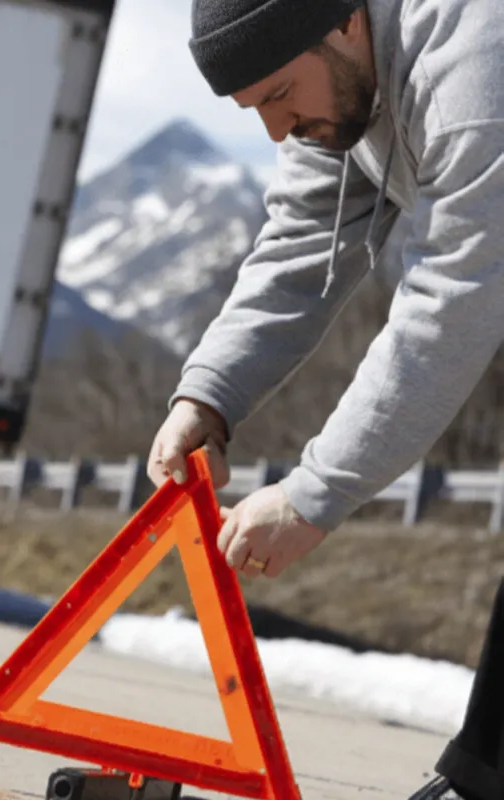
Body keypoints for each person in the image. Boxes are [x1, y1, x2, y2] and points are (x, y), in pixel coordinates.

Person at [145, 0, 504, 797]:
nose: (278, 130)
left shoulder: (477, 58)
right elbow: (304, 244)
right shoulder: (341, 90)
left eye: (279, 95)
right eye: (256, 111)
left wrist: (313, 495)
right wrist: (206, 397)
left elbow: (453, 296)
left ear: (344, 22)